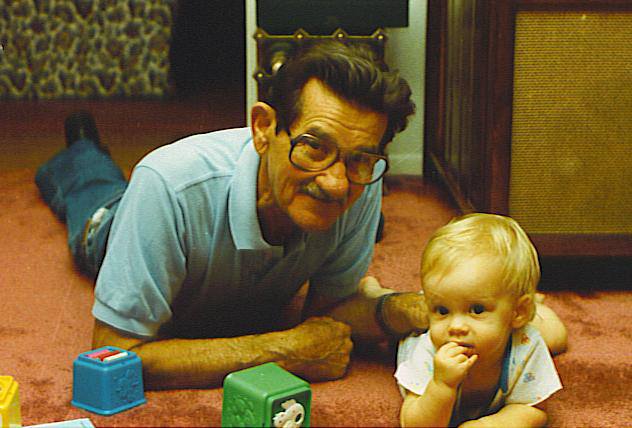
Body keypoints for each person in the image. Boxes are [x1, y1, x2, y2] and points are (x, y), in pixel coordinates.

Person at [35, 41, 427, 389]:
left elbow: (327, 313)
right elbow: (115, 355)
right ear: (263, 128)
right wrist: (282, 352)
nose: (337, 184)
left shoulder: (364, 180)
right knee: (94, 191)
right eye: (314, 147)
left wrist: (400, 309)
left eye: (359, 159)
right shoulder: (167, 184)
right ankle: (82, 149)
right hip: (117, 223)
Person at [396, 213, 566, 427]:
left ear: (518, 312)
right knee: (401, 312)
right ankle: (374, 291)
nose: (456, 326)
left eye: (477, 309)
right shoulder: (429, 350)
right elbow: (413, 423)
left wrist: (487, 425)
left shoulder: (525, 344)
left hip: (516, 322)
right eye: (442, 310)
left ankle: (534, 307)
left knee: (557, 337)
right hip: (412, 322)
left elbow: (533, 409)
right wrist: (442, 386)